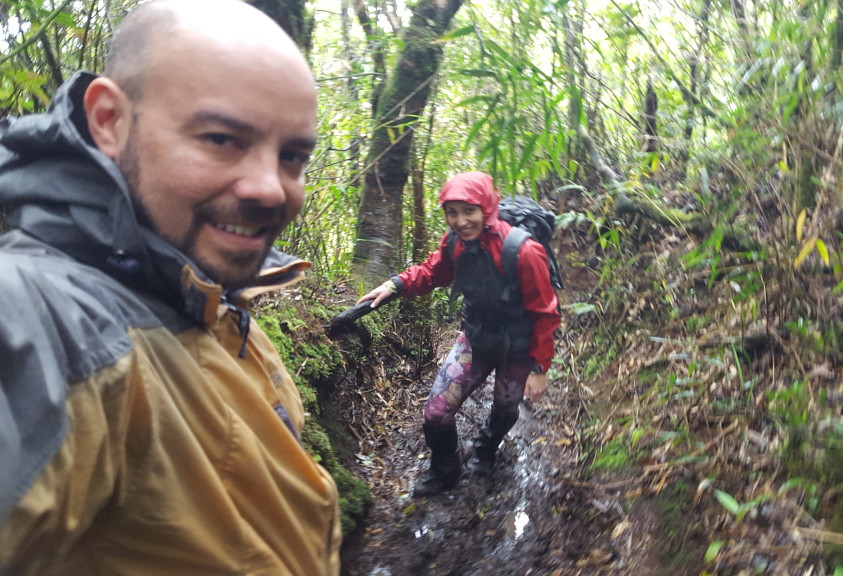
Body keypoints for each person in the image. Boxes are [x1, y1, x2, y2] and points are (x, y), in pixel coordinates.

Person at [0, 1, 341, 573]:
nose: (271, 189)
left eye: (292, 156)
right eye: (221, 139)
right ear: (108, 120)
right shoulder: (55, 315)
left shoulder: (204, 290)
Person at [359, 172, 561, 497]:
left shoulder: (524, 251)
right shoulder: (454, 243)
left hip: (519, 348)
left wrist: (540, 368)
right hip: (475, 339)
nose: (461, 221)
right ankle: (444, 470)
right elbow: (433, 271)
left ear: (486, 207)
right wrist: (394, 284)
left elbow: (545, 312)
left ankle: (486, 449)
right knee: (436, 413)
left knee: (506, 408)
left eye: (469, 211)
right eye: (452, 212)